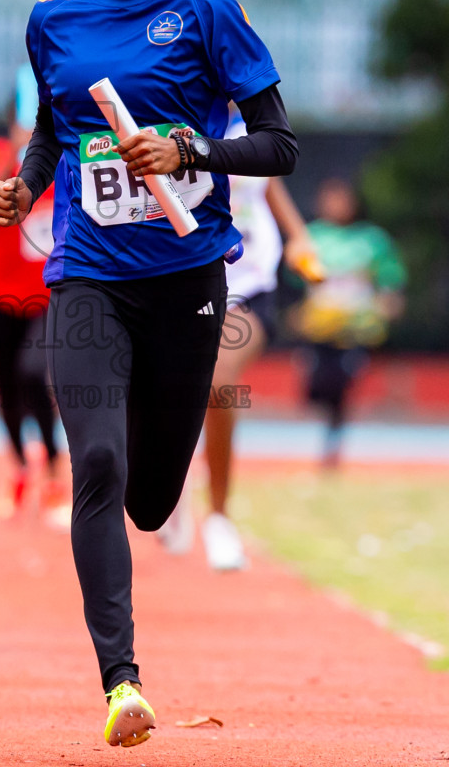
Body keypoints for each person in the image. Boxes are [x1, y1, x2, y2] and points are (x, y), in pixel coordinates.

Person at [0, 0, 297, 747]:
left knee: (153, 499)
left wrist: (189, 151)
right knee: (100, 465)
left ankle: (167, 502)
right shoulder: (54, 20)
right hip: (86, 276)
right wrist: (23, 185)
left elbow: (280, 145)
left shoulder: (208, 12)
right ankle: (122, 683)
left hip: (185, 279)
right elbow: (53, 133)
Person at [156, 104, 321, 570]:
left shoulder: (251, 126)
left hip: (248, 285)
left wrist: (299, 238)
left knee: (219, 378)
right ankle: (171, 485)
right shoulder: (169, 121)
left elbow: (268, 187)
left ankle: (221, 519)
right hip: (182, 280)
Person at [0, 67, 64, 520]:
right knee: (5, 387)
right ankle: (21, 466)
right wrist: (10, 166)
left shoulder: (62, 160)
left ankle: (56, 468)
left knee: (31, 373)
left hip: (46, 296)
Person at [293, 177, 405, 468]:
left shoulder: (372, 240)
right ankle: (326, 428)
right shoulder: (310, 235)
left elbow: (390, 279)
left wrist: (389, 303)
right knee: (316, 388)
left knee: (340, 384)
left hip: (356, 328)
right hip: (319, 327)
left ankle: (333, 443)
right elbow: (294, 278)